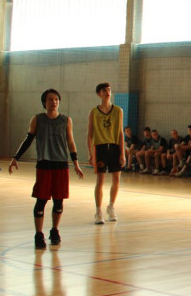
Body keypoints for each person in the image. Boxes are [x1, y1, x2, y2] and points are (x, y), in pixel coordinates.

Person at [7, 88, 85, 248]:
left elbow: (71, 142)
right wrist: (16, 157)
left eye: (56, 99)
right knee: (41, 201)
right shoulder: (37, 119)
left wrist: (76, 164)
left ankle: (55, 230)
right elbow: (28, 139)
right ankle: (38, 234)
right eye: (50, 99)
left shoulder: (66, 120)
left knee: (59, 202)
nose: (54, 102)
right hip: (44, 164)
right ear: (44, 102)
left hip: (61, 165)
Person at [86, 82, 124, 224]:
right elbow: (90, 134)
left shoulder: (118, 111)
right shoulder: (94, 112)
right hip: (100, 147)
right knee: (100, 180)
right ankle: (98, 212)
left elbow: (120, 133)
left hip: (114, 147)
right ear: (99, 94)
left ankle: (111, 207)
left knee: (116, 180)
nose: (107, 92)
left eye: (109, 90)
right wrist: (90, 153)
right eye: (104, 90)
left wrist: (122, 153)